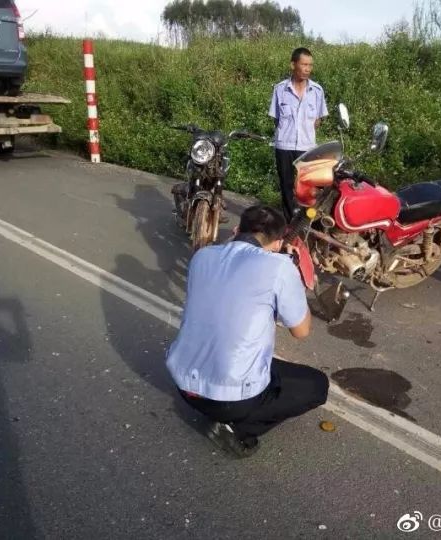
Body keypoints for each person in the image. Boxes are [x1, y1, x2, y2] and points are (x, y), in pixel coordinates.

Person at [166, 205, 328, 458]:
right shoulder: (279, 266)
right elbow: (301, 330)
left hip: (183, 383)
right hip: (229, 401)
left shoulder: (202, 256)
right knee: (317, 385)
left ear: (237, 229)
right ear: (276, 243)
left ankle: (222, 410)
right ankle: (238, 429)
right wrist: (293, 272)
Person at [269, 47, 329, 221]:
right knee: (286, 185)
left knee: (308, 188)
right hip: (284, 146)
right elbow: (277, 119)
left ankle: (306, 223)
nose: (307, 69)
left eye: (310, 65)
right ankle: (289, 223)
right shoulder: (280, 89)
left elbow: (318, 120)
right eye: (304, 64)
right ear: (293, 65)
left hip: (307, 147)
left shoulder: (317, 91)